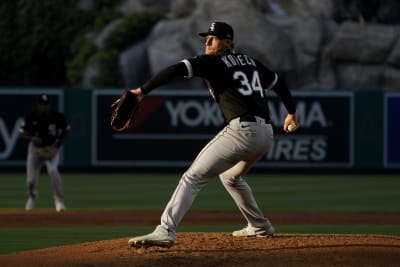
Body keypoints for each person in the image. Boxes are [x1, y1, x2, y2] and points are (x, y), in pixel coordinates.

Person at [128, 21, 299, 248]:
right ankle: (259, 225)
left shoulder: (213, 62)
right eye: (206, 37)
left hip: (243, 131)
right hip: (265, 134)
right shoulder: (251, 62)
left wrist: (141, 91)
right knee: (230, 177)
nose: (207, 41)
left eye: (213, 37)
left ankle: (165, 230)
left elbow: (175, 69)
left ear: (228, 43)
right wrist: (292, 113)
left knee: (192, 177)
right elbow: (279, 84)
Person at [19, 94, 70, 212]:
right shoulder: (31, 117)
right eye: (42, 105)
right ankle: (32, 198)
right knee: (30, 180)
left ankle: (59, 201)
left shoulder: (56, 117)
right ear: (38, 105)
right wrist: (31, 137)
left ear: (49, 105)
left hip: (51, 148)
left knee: (53, 170)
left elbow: (66, 131)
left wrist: (57, 146)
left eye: (46, 105)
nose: (44, 107)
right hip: (35, 150)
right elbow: (21, 132)